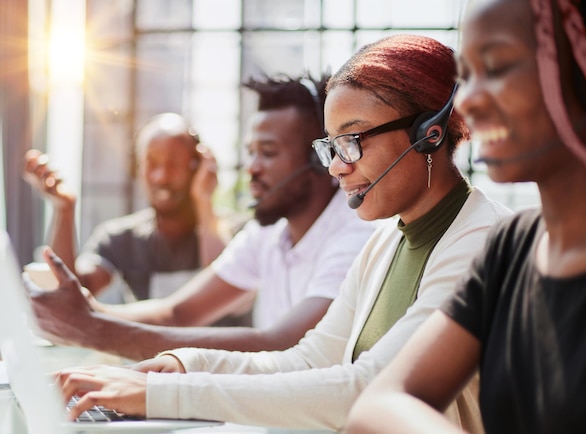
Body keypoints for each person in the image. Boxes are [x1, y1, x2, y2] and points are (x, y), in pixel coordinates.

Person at [51, 35, 513, 432]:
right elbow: (308, 360)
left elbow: (367, 389)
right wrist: (184, 364)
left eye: (353, 140)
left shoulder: (482, 243)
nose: (337, 166)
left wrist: (165, 394)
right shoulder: (386, 242)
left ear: (428, 132)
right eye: (330, 146)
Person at [344, 1, 586, 433]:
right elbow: (379, 399)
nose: (468, 102)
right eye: (466, 78)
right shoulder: (513, 248)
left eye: (497, 68)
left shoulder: (483, 232)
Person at [25, 73, 377, 361]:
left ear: (319, 159)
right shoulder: (267, 233)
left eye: (267, 153)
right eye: (251, 152)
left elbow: (284, 345)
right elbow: (176, 314)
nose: (252, 168)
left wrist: (92, 328)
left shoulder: (355, 234)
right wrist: (84, 311)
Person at [23, 113, 226, 301]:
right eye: (151, 163)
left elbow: (224, 288)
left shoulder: (235, 234)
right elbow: (70, 292)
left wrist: (204, 199)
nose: (161, 177)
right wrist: (64, 209)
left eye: (174, 164)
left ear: (197, 166)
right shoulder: (121, 239)